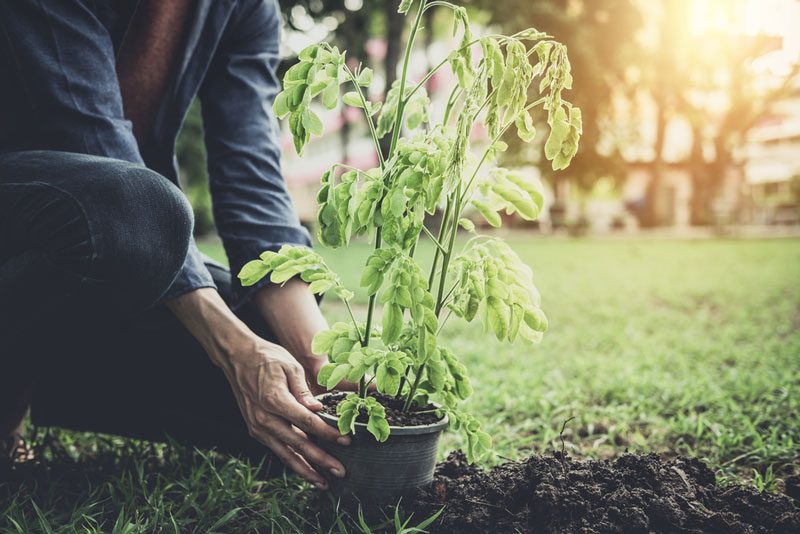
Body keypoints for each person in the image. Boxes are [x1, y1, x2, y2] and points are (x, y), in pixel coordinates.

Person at [0, 0, 350, 490]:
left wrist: (318, 358)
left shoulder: (245, 8)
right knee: (142, 217)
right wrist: (233, 350)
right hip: (30, 216)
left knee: (276, 361)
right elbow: (89, 137)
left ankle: (47, 377)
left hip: (120, 240)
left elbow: (251, 177)